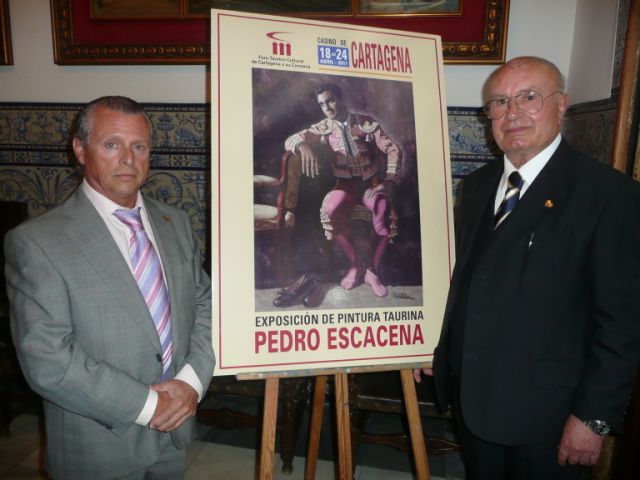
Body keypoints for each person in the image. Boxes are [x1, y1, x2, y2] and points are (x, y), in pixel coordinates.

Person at [414, 56, 640, 479]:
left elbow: (622, 323)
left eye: (528, 97)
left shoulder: (609, 195)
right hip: (474, 398)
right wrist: (437, 346)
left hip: (548, 417)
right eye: (498, 102)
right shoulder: (477, 185)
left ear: (561, 104)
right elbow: (466, 278)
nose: (511, 112)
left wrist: (593, 419)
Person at [4, 96, 214, 479]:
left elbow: (204, 303)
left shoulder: (176, 223)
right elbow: (47, 360)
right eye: (112, 144)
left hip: (176, 432)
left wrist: (190, 383)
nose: (128, 159)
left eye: (139, 146)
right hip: (98, 445)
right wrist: (152, 406)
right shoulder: (37, 242)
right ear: (80, 150)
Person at [284, 83, 402, 297]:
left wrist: (390, 180)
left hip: (371, 184)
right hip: (345, 186)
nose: (327, 107)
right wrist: (302, 147)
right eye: (322, 104)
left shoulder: (365, 122)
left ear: (341, 99)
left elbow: (393, 149)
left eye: (330, 100)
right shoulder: (323, 128)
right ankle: (357, 265)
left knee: (382, 211)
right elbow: (291, 140)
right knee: (329, 210)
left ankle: (371, 271)